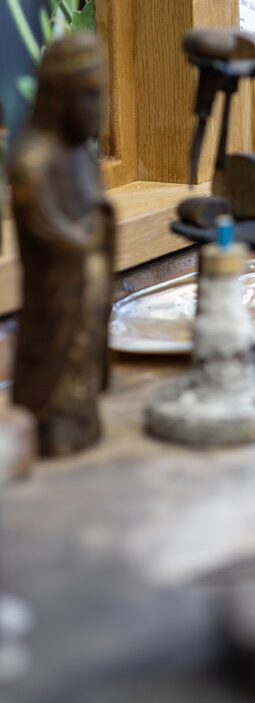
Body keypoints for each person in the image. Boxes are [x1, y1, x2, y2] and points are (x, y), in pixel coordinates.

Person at [7, 31, 115, 457]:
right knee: (57, 367)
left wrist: (96, 234)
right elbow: (43, 225)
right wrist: (82, 241)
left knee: (83, 363)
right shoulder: (34, 160)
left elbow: (97, 213)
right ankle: (52, 426)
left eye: (99, 95)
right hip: (57, 298)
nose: (96, 110)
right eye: (87, 97)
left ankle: (80, 419)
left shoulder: (84, 156)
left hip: (84, 293)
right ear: (58, 97)